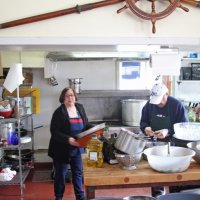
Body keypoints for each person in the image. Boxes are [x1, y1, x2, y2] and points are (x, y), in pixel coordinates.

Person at [140, 82, 189, 197]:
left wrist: (168, 131)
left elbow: (184, 126)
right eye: (156, 101)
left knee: (174, 174)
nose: (158, 103)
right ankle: (157, 196)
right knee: (156, 174)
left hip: (174, 147)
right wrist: (145, 128)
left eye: (160, 100)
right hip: (156, 146)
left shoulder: (177, 106)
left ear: (166, 94)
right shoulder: (149, 105)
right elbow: (143, 122)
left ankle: (175, 195)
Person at [48, 87, 93, 200]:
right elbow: (54, 132)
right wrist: (68, 140)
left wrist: (96, 128)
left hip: (77, 147)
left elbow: (86, 124)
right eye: (67, 95)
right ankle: (58, 197)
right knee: (61, 175)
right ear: (63, 98)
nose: (70, 97)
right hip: (61, 148)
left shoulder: (80, 107)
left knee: (77, 173)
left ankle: (80, 196)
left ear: (75, 97)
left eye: (72, 95)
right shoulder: (59, 112)